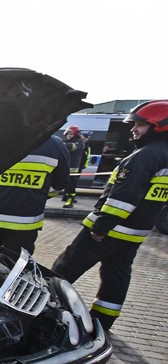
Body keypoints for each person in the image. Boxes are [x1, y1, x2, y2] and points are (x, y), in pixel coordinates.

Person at [51, 100, 168, 331]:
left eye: (140, 125)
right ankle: (104, 321)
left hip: (110, 230)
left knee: (64, 269)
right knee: (116, 276)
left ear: (160, 125)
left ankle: (42, 311)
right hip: (136, 233)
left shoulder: (145, 155)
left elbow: (124, 196)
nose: (133, 129)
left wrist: (101, 227)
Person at [0, 134, 70, 254]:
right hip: (26, 221)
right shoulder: (55, 145)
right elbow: (61, 183)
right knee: (17, 265)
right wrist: (37, 194)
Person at [61, 125, 85, 208]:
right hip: (65, 167)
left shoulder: (79, 141)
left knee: (71, 186)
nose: (69, 135)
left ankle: (70, 201)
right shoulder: (67, 142)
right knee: (63, 184)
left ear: (75, 134)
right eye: (67, 134)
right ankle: (65, 197)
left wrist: (60, 144)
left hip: (73, 169)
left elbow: (72, 147)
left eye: (71, 133)